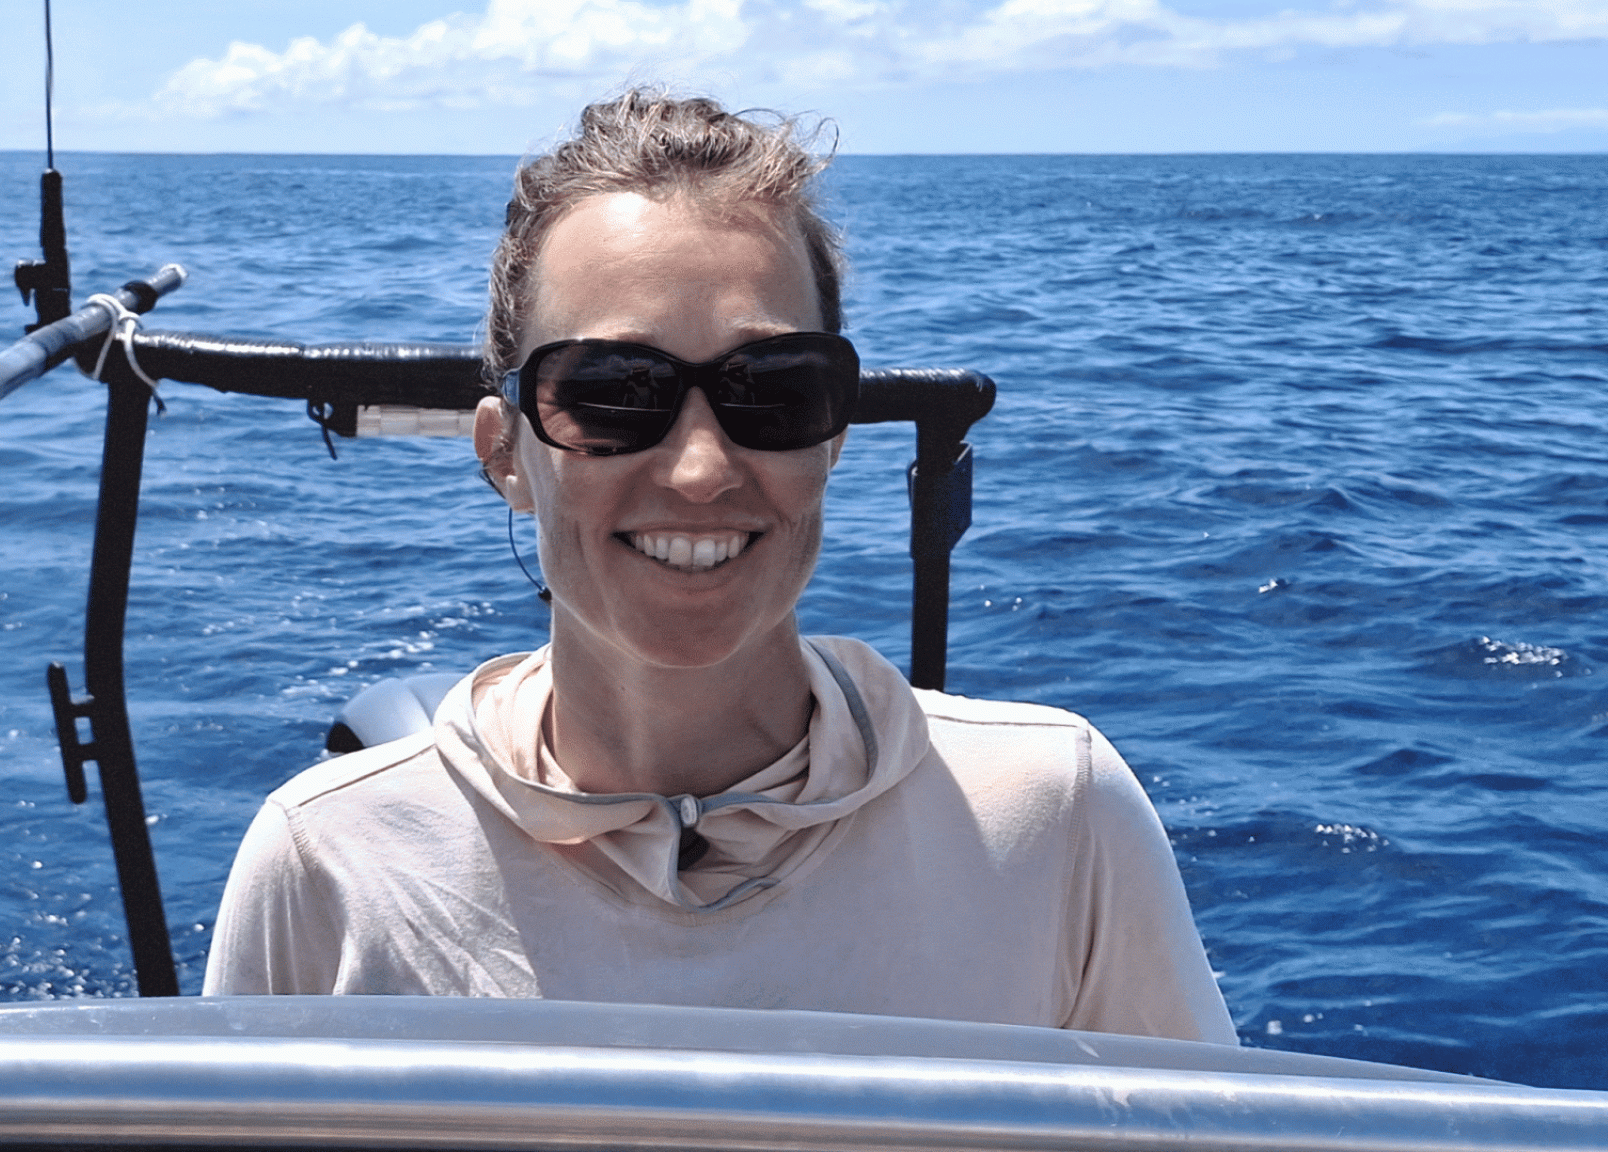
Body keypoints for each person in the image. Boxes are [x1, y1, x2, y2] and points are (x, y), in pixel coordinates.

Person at [203, 89, 1237, 1044]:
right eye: (609, 391)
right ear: (502, 453)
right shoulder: (327, 861)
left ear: (832, 438)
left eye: (774, 389)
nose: (699, 469)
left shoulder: (1054, 815)